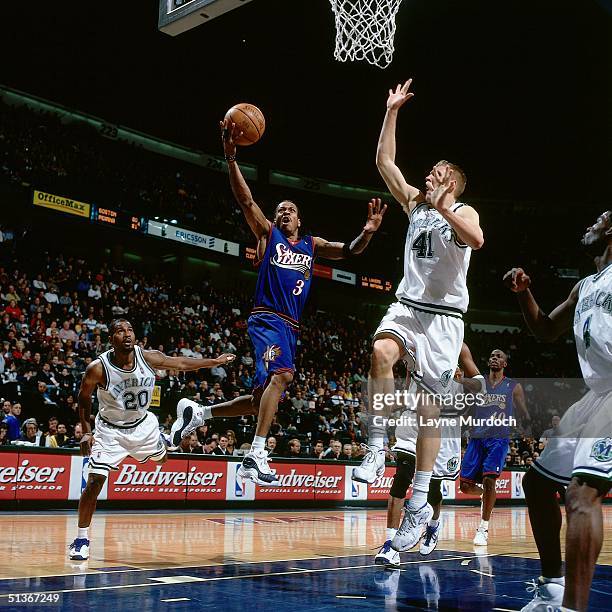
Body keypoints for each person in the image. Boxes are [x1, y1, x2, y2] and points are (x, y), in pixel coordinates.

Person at [352, 78, 483, 550]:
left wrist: (446, 207)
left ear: (450, 181)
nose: (426, 176)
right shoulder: (414, 204)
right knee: (381, 352)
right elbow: (385, 163)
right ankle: (374, 444)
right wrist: (392, 112)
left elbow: (477, 239)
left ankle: (422, 503)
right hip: (409, 306)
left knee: (430, 410)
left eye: (434, 172)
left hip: (445, 319)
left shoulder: (463, 209)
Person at [218, 118, 387, 485]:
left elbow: (348, 251)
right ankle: (256, 453)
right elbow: (245, 200)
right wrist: (232, 158)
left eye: (289, 209)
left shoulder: (312, 244)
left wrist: (367, 233)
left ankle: (200, 413)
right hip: (267, 318)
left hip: (290, 326)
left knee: (260, 396)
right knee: (284, 375)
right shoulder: (268, 234)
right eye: (279, 208)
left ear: (300, 218)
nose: (283, 212)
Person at [504, 210, 612, 612]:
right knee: (536, 484)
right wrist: (522, 293)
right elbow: (546, 331)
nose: (588, 226)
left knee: (582, 494)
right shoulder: (585, 286)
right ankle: (552, 586)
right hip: (593, 395)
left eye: (596, 221)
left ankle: (573, 609)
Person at [68, 318, 242, 562]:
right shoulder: (98, 368)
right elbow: (83, 398)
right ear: (111, 339)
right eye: (120, 331)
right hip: (110, 431)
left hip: (142, 425)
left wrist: (213, 361)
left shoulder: (148, 357)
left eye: (130, 329)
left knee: (163, 459)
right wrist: (87, 431)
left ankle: (172, 435)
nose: (127, 334)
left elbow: (180, 362)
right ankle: (81, 539)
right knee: (95, 482)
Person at [375, 343, 484, 566]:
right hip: (414, 416)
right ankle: (390, 544)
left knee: (433, 488)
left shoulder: (460, 348)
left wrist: (461, 380)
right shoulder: (416, 340)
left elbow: (480, 386)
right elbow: (408, 382)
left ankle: (433, 524)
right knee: (402, 476)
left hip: (445, 422)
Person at [459, 349, 529, 546]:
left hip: (498, 439)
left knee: (489, 480)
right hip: (476, 438)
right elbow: (463, 387)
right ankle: (487, 495)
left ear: (505, 363)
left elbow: (524, 412)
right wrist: (458, 379)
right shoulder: (480, 382)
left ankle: (483, 528)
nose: (494, 358)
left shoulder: (513, 387)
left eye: (498, 356)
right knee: (465, 487)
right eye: (491, 356)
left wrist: (523, 426)